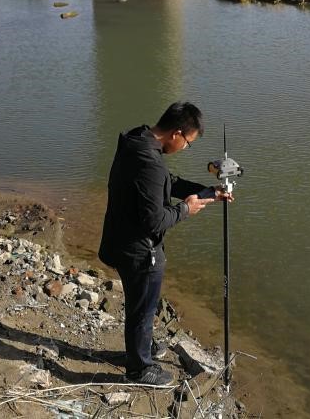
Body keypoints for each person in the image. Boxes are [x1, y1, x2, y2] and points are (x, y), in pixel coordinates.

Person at [98, 101, 229, 387]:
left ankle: (139, 349)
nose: (185, 148)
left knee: (138, 305)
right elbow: (155, 221)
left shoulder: (136, 140)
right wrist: (186, 209)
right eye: (188, 143)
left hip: (119, 240)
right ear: (176, 133)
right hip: (140, 252)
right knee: (143, 310)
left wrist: (205, 192)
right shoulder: (151, 163)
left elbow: (165, 182)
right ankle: (139, 369)